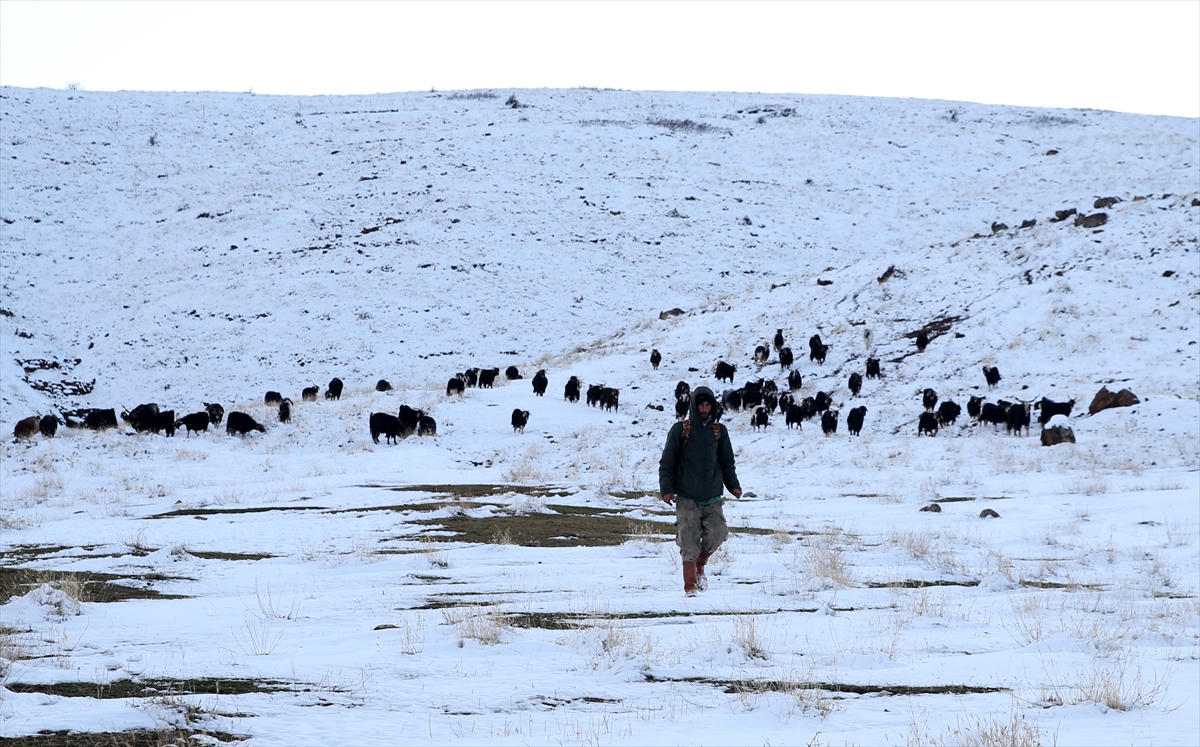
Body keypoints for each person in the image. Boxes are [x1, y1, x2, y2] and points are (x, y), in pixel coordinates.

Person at [658, 385, 742, 596]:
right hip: (687, 495)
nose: (704, 409)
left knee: (718, 534)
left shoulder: (719, 432)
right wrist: (666, 489)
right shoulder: (681, 430)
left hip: (713, 495)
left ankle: (700, 565)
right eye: (701, 405)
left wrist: (733, 485)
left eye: (708, 404)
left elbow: (726, 462)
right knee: (688, 538)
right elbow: (667, 462)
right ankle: (690, 586)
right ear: (694, 406)